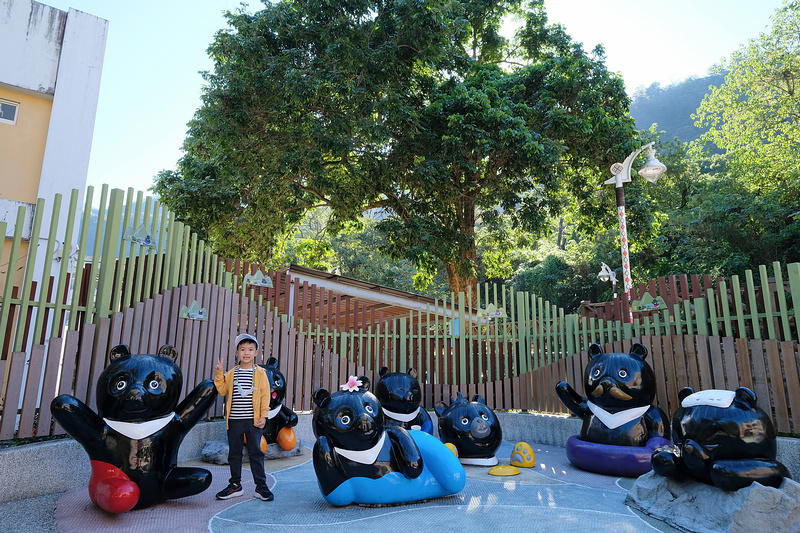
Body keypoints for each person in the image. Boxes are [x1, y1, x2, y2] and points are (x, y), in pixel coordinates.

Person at [214, 333, 274, 501]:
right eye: (242, 349)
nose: (246, 353)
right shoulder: (232, 373)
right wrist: (219, 374)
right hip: (234, 420)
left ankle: (261, 487)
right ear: (237, 352)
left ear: (256, 353)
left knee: (256, 453)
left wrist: (264, 416)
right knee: (234, 453)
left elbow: (264, 396)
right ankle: (235, 485)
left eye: (250, 349)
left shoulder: (261, 373)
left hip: (253, 421)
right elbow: (223, 390)